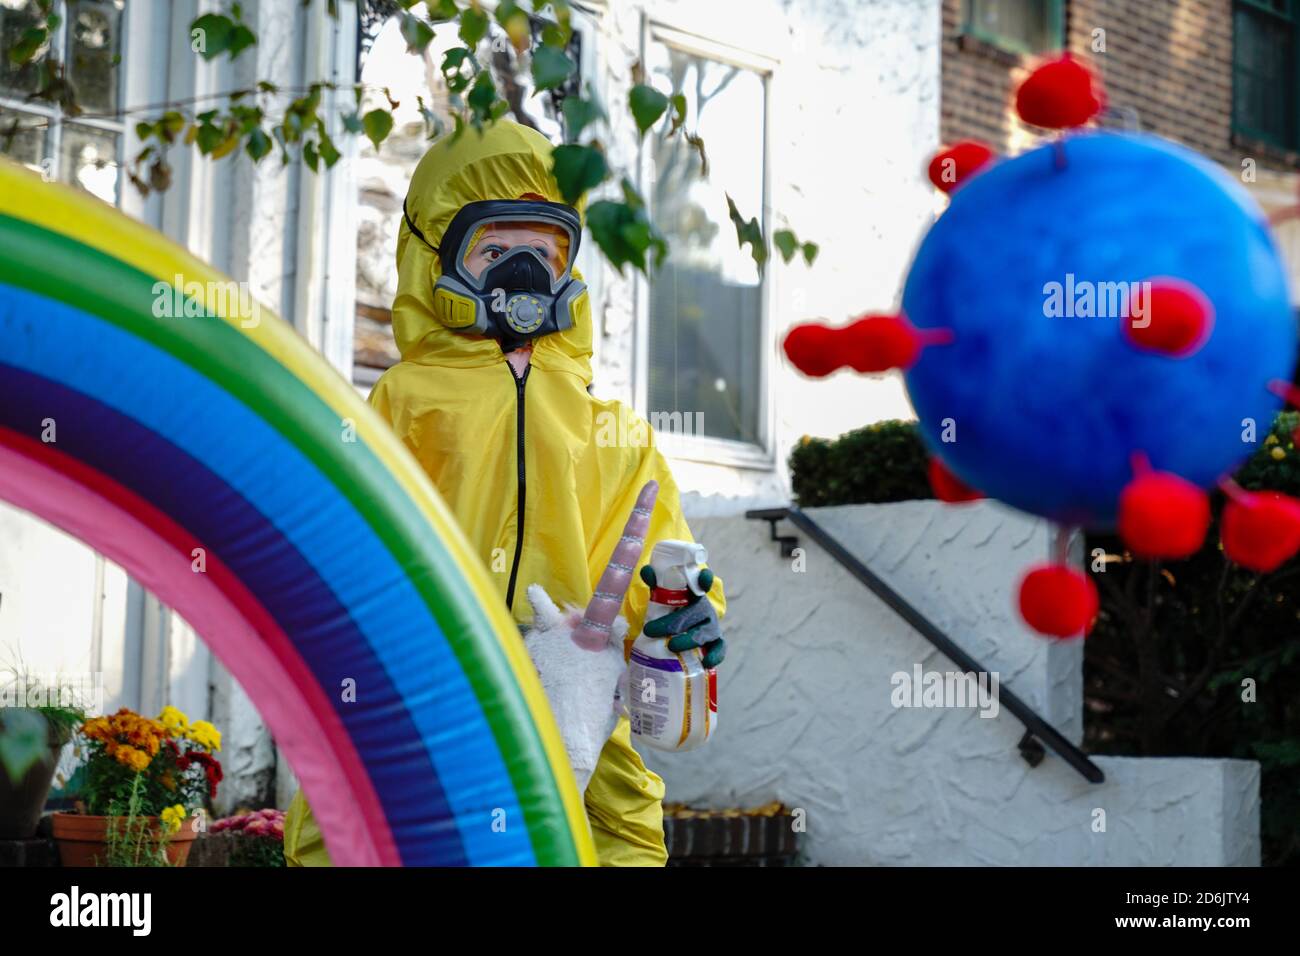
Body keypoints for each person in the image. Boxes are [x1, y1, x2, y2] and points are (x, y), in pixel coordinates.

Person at [283, 120, 725, 867]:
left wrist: (687, 622)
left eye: (542, 253)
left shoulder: (612, 431)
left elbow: (660, 566)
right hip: (416, 714)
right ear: (435, 260)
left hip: (580, 727)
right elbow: (331, 557)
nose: (520, 273)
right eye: (494, 251)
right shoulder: (401, 405)